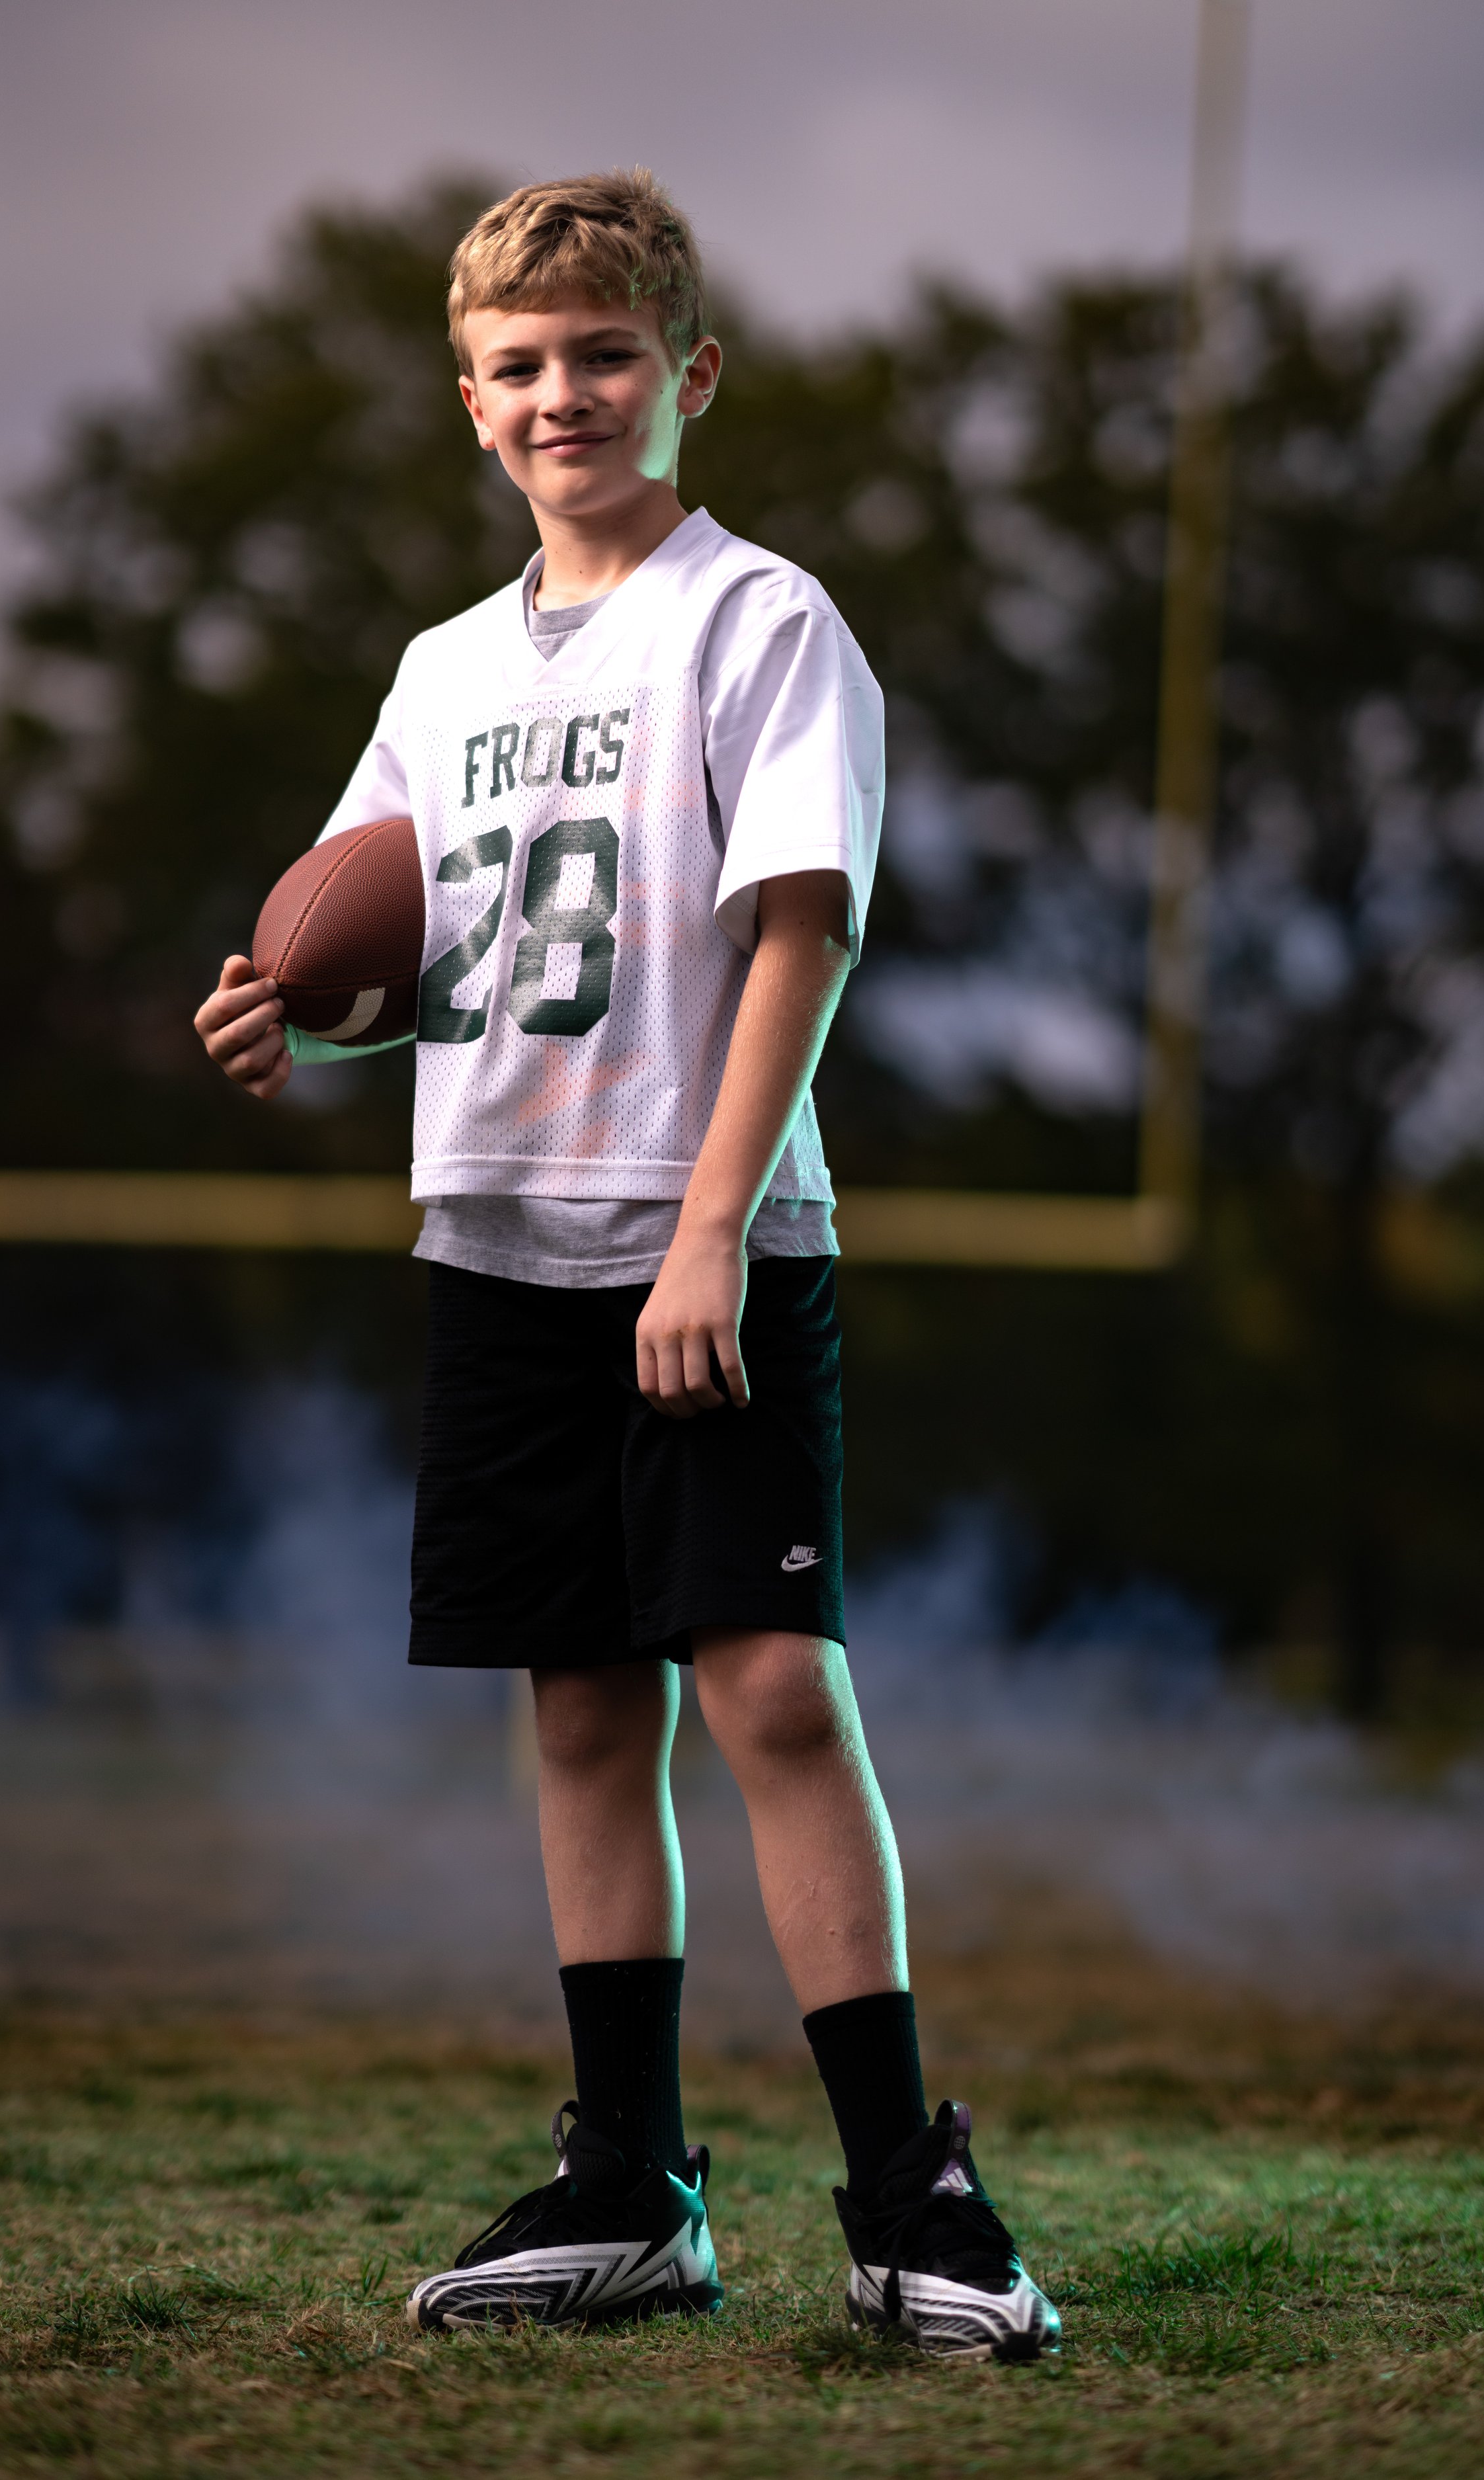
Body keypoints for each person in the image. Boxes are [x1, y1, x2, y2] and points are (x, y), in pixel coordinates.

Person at [194, 169, 1057, 2362]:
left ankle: (905, 2194)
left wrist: (703, 1236)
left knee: (766, 1687)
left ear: (685, 376)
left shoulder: (760, 620)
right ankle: (633, 2177)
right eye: (515, 366)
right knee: (580, 1708)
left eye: (599, 356)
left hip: (705, 1236)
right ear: (468, 404)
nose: (556, 394)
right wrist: (311, 1005)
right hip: (496, 1232)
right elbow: (426, 944)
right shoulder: (440, 667)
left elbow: (803, 928)